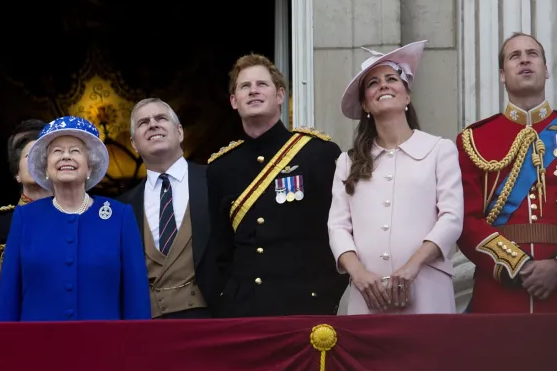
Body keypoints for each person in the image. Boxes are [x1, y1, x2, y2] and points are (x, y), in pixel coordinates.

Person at [207, 53, 349, 317]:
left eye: (262, 84)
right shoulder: (220, 168)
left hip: (305, 306)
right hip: (244, 310)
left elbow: (339, 229)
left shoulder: (318, 154)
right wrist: (225, 301)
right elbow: (220, 250)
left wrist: (326, 297)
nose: (253, 91)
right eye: (244, 86)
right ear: (233, 101)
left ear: (280, 96)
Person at [328, 41, 464, 314]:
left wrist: (412, 266)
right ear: (365, 103)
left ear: (407, 96)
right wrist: (359, 275)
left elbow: (451, 218)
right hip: (368, 296)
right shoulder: (348, 161)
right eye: (373, 83)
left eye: (392, 79)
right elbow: (338, 227)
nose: (384, 86)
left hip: (427, 289)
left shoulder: (439, 150)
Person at [0, 116, 150, 321]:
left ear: (90, 167)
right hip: (37, 348)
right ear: (46, 168)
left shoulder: (120, 217)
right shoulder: (25, 218)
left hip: (104, 347)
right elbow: (8, 297)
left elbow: (136, 298)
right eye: (57, 151)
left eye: (75, 151)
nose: (65, 157)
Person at [457, 32, 557, 313]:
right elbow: (465, 219)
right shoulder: (474, 140)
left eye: (532, 54)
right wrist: (518, 265)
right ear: (502, 75)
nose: (524, 59)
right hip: (499, 289)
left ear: (546, 70)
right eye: (515, 56)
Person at [119, 98, 214, 319]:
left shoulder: (215, 181)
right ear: (134, 143)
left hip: (209, 319)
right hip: (147, 325)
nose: (153, 124)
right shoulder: (123, 206)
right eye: (143, 122)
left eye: (161, 118)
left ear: (179, 132)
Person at [0, 119, 52, 266]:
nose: (36, 162)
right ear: (17, 173)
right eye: (28, 156)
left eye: (42, 156)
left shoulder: (76, 218)